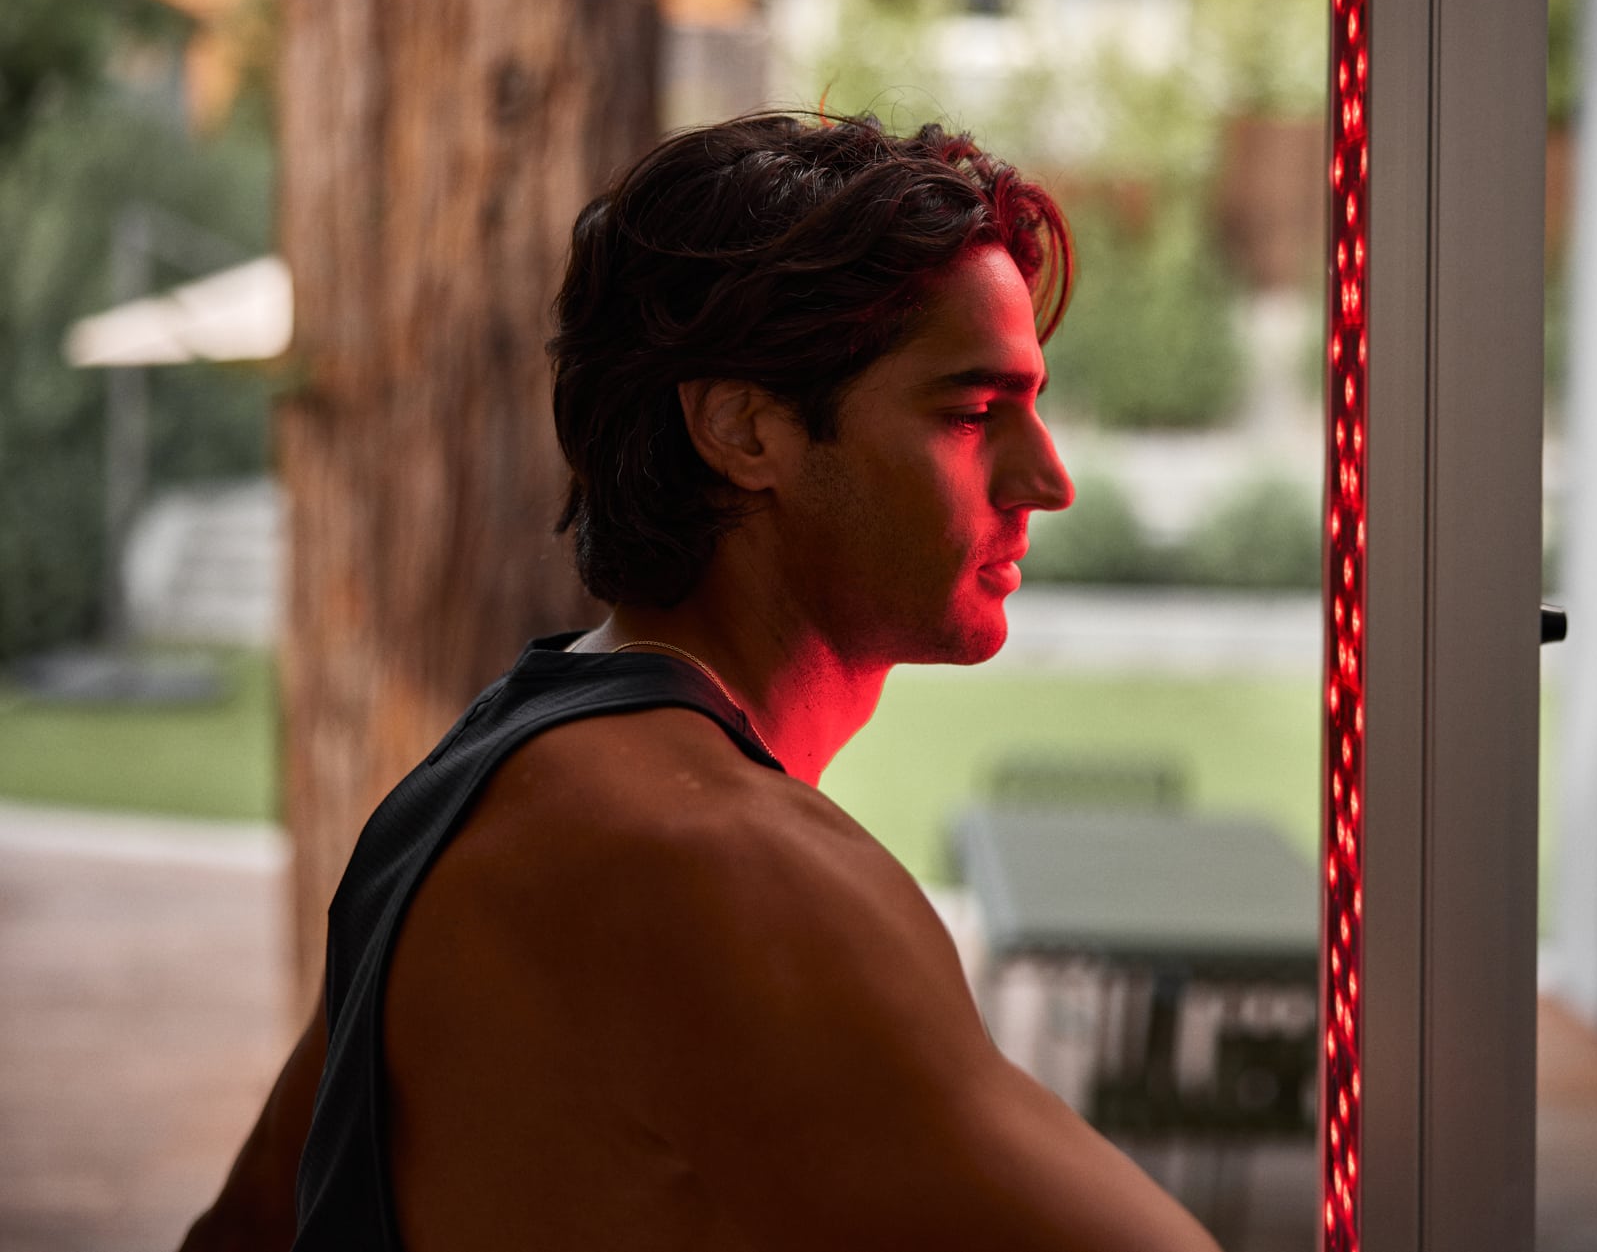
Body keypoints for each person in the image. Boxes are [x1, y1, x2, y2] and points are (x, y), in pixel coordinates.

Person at [180, 111, 1224, 1252]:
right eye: (973, 412)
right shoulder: (726, 870)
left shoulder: (480, 778)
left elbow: (241, 1231)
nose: (1049, 478)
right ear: (742, 429)